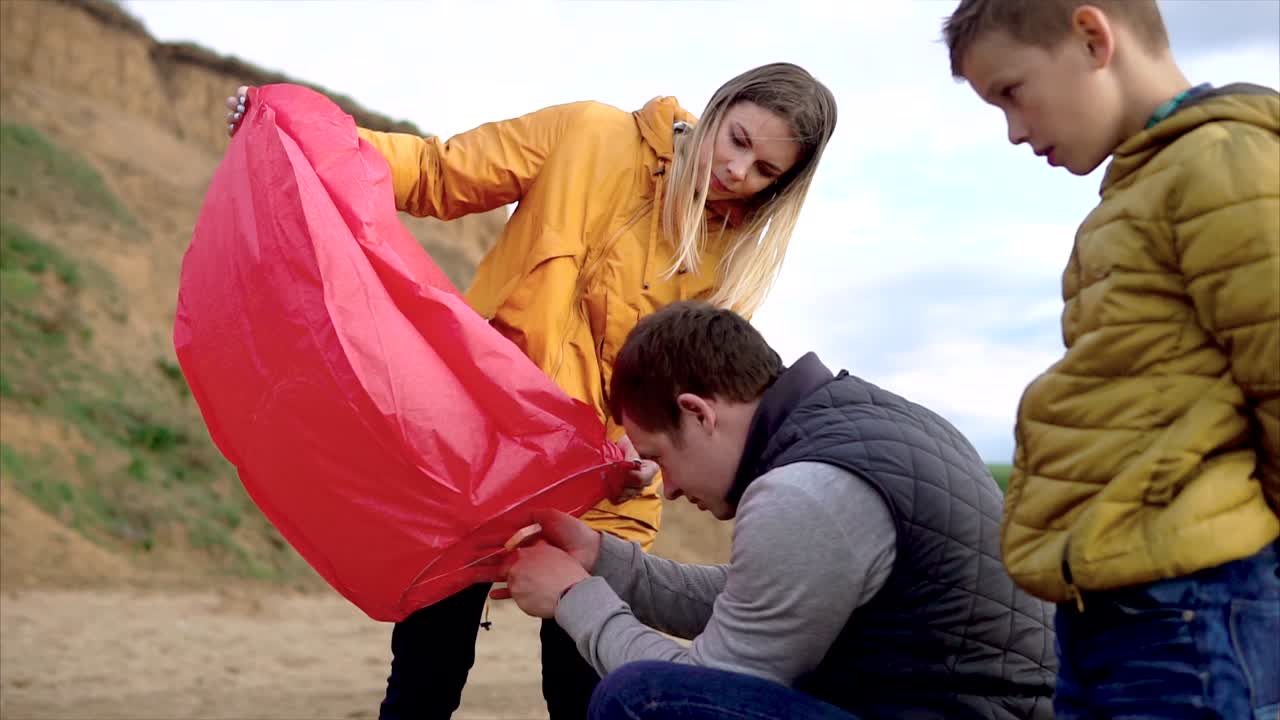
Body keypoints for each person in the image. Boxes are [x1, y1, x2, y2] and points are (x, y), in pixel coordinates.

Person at [225, 62, 837, 719]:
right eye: (738, 141)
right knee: (426, 677)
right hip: (478, 453)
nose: (738, 172)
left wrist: (644, 457)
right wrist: (300, 136)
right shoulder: (588, 132)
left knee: (581, 694)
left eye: (765, 171)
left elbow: (692, 395)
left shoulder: (731, 252)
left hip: (601, 487)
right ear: (717, 111)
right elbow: (439, 173)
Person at [943, 1, 1280, 717]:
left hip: (1193, 604)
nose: (1012, 130)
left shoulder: (1227, 161)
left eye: (1011, 92)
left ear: (1093, 37)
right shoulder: (1135, 191)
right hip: (1115, 609)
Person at [495, 301, 1058, 720]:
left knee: (643, 701)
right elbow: (760, 598)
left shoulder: (804, 491)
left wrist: (574, 598)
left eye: (658, 457)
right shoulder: (866, 423)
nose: (665, 489)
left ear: (697, 413)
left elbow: (696, 692)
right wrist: (601, 558)